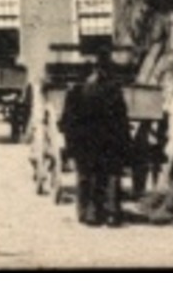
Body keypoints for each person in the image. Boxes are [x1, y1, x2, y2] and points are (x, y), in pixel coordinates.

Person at [58, 51, 132, 227]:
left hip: (86, 141)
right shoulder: (114, 90)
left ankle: (90, 213)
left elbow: (67, 120)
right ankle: (112, 213)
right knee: (112, 174)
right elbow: (122, 118)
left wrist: (71, 141)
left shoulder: (76, 90)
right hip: (110, 140)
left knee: (86, 175)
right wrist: (123, 142)